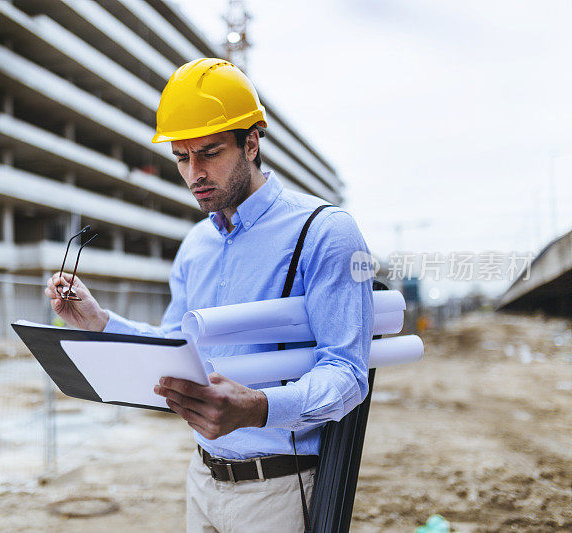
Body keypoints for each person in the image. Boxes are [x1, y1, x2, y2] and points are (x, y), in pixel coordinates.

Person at [44, 58, 374, 532]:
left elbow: (347, 375)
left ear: (252, 143)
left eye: (210, 152)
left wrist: (259, 408)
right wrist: (99, 322)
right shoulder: (196, 245)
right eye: (182, 157)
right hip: (202, 478)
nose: (194, 172)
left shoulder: (325, 232)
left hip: (278, 489)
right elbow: (175, 345)